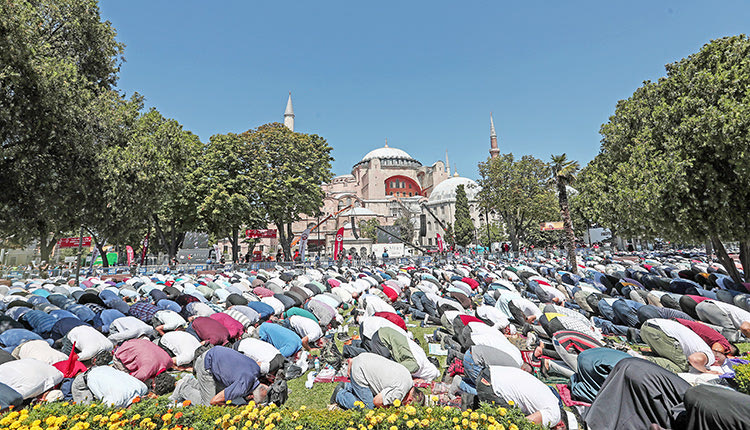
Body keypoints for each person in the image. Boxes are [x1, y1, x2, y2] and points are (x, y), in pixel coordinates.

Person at [476, 365, 563, 428]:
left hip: (491, 374)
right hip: (492, 385)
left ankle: (467, 402)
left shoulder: (553, 400)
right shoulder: (554, 416)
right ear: (561, 425)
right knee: (506, 424)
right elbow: (523, 424)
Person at [333, 352, 421, 409]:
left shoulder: (409, 379)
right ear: (409, 400)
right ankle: (340, 395)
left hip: (365, 358)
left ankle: (348, 386)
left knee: (374, 396)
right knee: (368, 408)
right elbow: (376, 401)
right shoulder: (400, 392)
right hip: (360, 371)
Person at [193, 346, 267, 406]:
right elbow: (213, 401)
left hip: (216, 353)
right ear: (251, 396)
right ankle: (183, 387)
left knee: (216, 392)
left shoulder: (256, 370)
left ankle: (192, 382)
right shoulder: (242, 386)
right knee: (209, 407)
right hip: (207, 364)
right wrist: (233, 408)